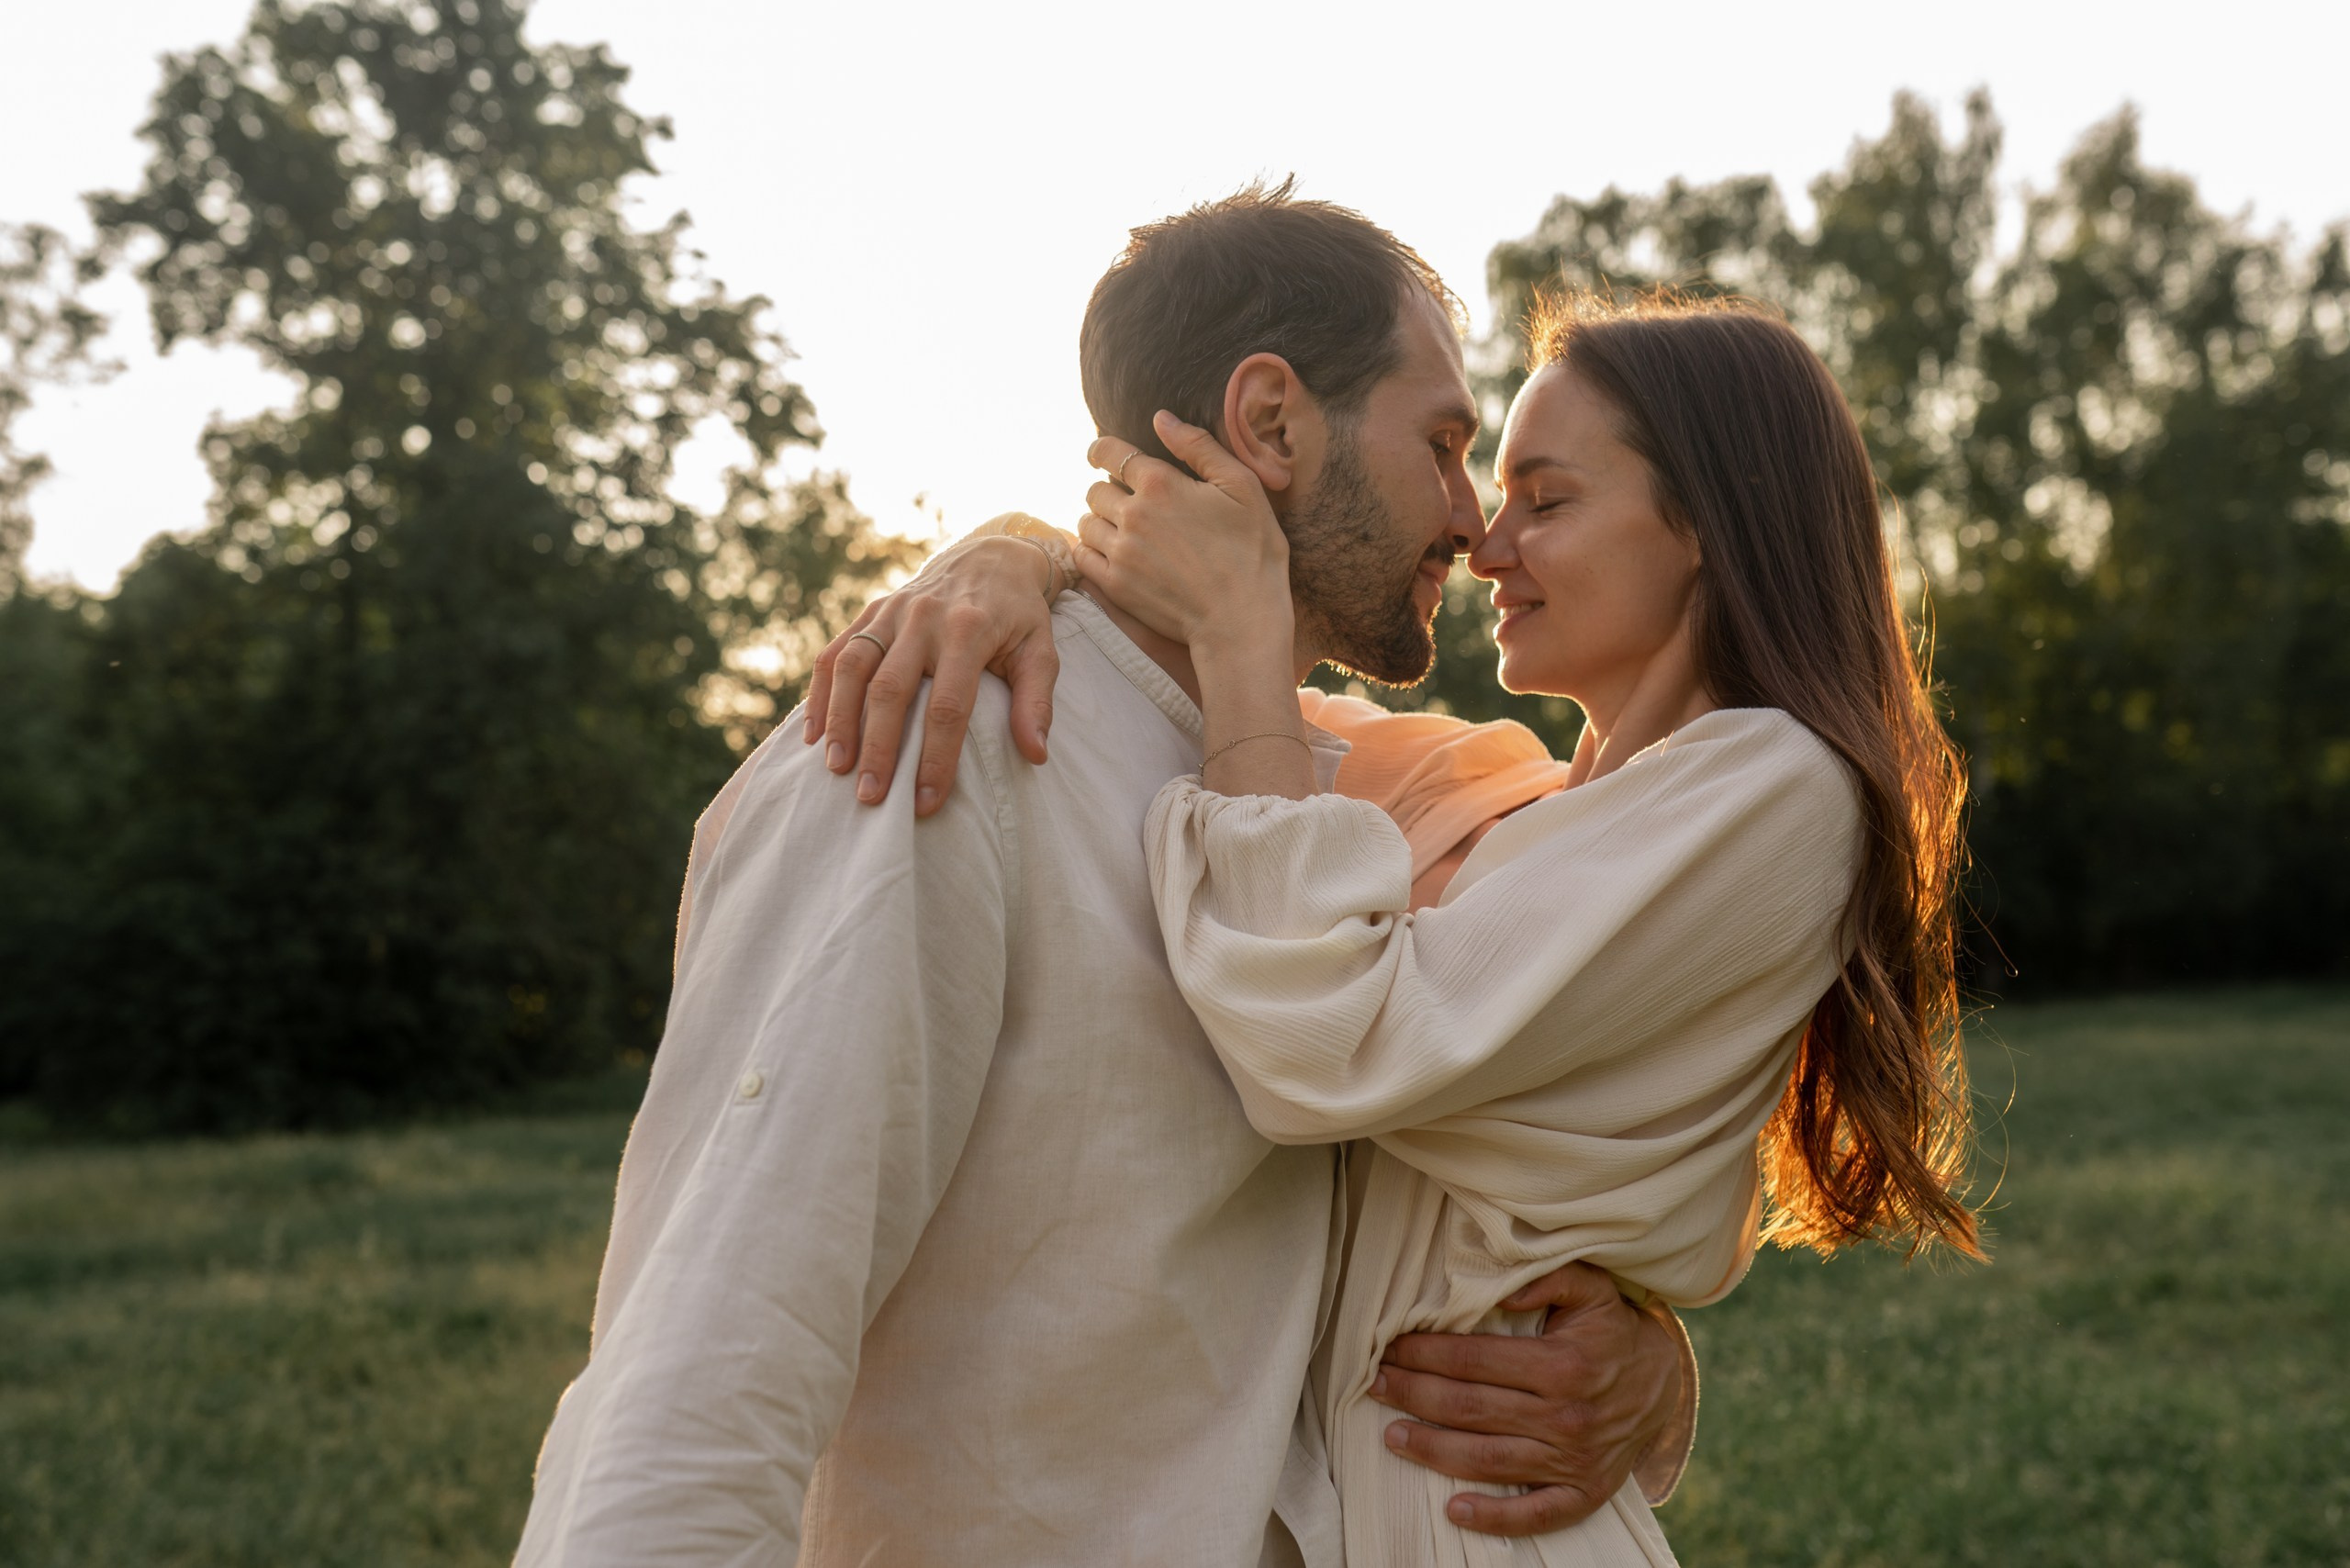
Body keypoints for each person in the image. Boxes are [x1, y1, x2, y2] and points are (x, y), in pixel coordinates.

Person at [512, 186, 1693, 1568]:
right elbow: (706, 1370)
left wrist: (1647, 1369)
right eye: (1441, 444)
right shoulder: (934, 740)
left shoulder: (1333, 794)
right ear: (1269, 423)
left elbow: (1444, 1180)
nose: (1469, 519)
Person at [811, 288, 1984, 1563]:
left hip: (1472, 1520)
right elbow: (1206, 706)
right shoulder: (1525, 801)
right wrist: (1012, 549)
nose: (1486, 544)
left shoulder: (1775, 789)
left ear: (1707, 520)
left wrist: (1247, 632)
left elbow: (1328, 1040)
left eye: (1548, 498)